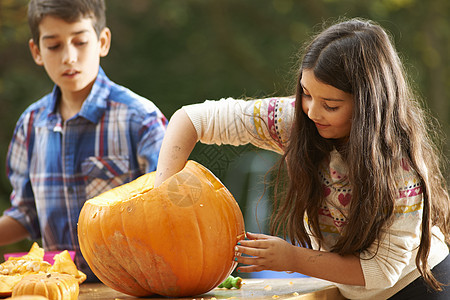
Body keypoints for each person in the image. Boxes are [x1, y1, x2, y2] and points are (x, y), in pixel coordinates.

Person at [154, 18, 449, 299]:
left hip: (420, 287)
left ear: (368, 105)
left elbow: (382, 271)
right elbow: (192, 119)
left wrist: (291, 258)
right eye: (306, 94)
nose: (312, 112)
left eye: (330, 105)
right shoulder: (296, 122)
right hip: (349, 292)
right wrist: (160, 197)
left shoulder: (401, 168)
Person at [0, 0, 167, 281]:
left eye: (80, 42)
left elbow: (170, 206)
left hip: (131, 288)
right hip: (59, 287)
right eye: (54, 46)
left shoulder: (141, 118)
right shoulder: (30, 125)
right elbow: (27, 214)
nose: (69, 57)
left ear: (102, 41)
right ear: (36, 51)